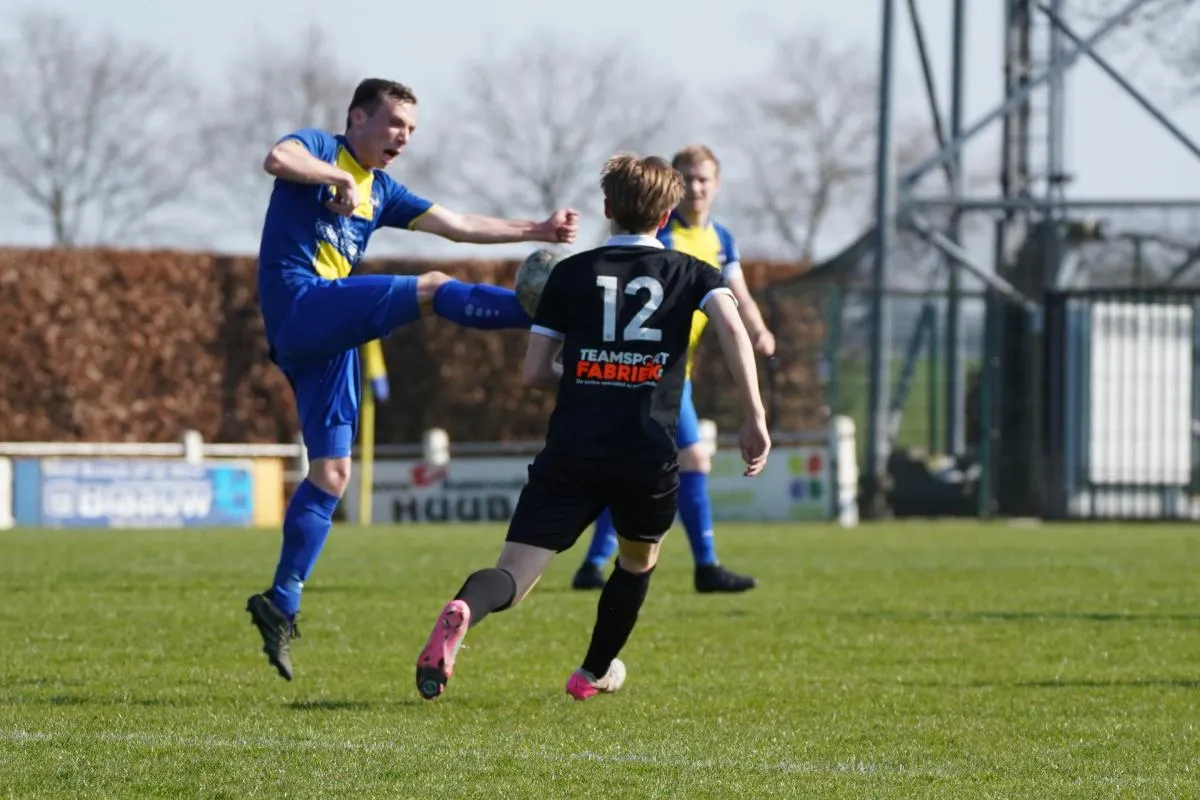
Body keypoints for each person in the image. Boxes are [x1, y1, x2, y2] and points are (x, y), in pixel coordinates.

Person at [245, 78, 579, 681]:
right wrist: (337, 177)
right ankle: (543, 315)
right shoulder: (320, 147)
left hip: (326, 337)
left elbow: (457, 223)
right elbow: (276, 158)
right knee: (431, 288)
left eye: (411, 129)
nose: (403, 136)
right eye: (395, 123)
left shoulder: (383, 189)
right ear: (357, 118)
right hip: (303, 305)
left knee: (332, 474)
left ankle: (280, 601)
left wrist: (537, 229)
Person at [414, 153, 770, 702]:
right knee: (637, 562)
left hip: (572, 449)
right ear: (666, 215)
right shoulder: (692, 272)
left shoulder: (569, 273)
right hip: (645, 452)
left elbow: (536, 373)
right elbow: (733, 327)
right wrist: (754, 415)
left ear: (607, 208)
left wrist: (592, 380)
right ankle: (592, 672)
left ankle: (466, 606)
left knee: (513, 576)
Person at [570, 144, 775, 594]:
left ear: (716, 185)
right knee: (693, 458)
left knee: (632, 466)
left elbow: (738, 293)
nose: (697, 188)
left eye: (704, 179)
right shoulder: (661, 236)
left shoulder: (721, 239)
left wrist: (759, 329)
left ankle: (594, 564)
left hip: (678, 368)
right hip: (655, 368)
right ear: (675, 189)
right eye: (689, 180)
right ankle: (705, 566)